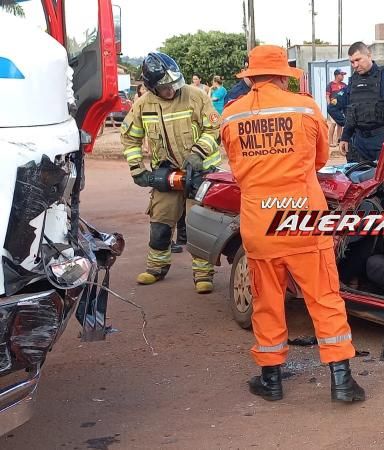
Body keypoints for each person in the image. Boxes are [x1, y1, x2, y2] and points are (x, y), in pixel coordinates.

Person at [220, 45, 364, 403]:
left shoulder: (232, 115)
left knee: (267, 301)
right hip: (303, 218)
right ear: (284, 75)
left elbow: (236, 169)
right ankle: (342, 382)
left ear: (250, 78)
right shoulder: (304, 107)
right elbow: (319, 159)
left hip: (260, 223)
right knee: (325, 299)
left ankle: (271, 380)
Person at [120, 52, 221, 293]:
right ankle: (156, 267)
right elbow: (129, 138)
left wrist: (197, 153)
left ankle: (203, 275)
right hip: (166, 174)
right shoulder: (143, 105)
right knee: (160, 224)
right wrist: (138, 171)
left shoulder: (195, 96)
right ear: (152, 87)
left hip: (201, 173)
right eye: (166, 87)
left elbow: (214, 127)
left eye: (175, 83)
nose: (172, 90)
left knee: (199, 225)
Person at [339, 41, 384, 162]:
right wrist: (345, 137)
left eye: (358, 60)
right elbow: (351, 111)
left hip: (382, 141)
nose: (355, 65)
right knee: (358, 178)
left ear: (369, 55)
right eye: (352, 62)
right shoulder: (353, 80)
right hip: (359, 143)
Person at [326, 69, 347, 146]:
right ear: (336, 75)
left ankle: (338, 140)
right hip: (333, 108)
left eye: (343, 75)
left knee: (340, 124)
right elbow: (327, 96)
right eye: (341, 75)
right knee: (333, 124)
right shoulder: (330, 85)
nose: (343, 76)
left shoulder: (344, 85)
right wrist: (329, 106)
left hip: (341, 107)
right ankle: (330, 142)